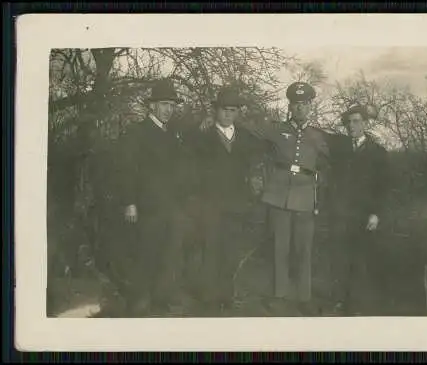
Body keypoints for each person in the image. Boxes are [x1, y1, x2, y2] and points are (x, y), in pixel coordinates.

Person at [210, 82, 336, 315]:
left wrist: (320, 188)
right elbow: (250, 144)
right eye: (296, 105)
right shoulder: (275, 130)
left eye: (304, 105)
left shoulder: (319, 136)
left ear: (310, 106)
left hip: (306, 196)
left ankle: (304, 296)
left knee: (303, 250)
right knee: (280, 248)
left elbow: (328, 165)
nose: (300, 109)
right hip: (278, 196)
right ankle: (279, 295)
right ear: (290, 106)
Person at [110, 78, 197, 316]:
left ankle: (161, 299)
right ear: (152, 106)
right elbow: (127, 169)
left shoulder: (172, 135)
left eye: (172, 105)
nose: (169, 110)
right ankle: (139, 301)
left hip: (171, 206)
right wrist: (129, 202)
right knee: (145, 253)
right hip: (147, 206)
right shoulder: (137, 132)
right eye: (164, 104)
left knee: (169, 255)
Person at [192, 87, 264, 314]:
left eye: (232, 110)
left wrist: (253, 186)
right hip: (211, 204)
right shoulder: (202, 138)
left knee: (231, 252)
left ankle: (227, 294)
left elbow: (256, 163)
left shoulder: (246, 138)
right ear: (215, 111)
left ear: (237, 113)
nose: (228, 115)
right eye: (224, 110)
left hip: (236, 205)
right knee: (211, 249)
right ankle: (209, 297)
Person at [326, 103, 390, 316]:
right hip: (340, 213)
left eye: (356, 122)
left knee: (360, 260)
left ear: (365, 123)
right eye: (348, 122)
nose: (351, 126)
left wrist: (376, 213)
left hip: (364, 216)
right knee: (339, 258)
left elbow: (384, 186)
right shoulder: (338, 148)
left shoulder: (378, 153)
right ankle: (338, 301)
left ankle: (356, 305)